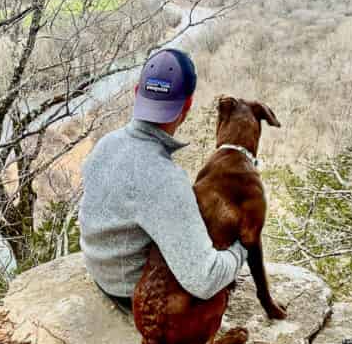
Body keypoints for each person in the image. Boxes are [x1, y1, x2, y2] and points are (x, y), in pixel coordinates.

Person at [78, 48, 247, 311]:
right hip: (135, 294)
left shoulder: (106, 144)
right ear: (187, 105)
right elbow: (205, 280)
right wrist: (242, 246)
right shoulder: (164, 179)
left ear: (137, 93)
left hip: (103, 274)